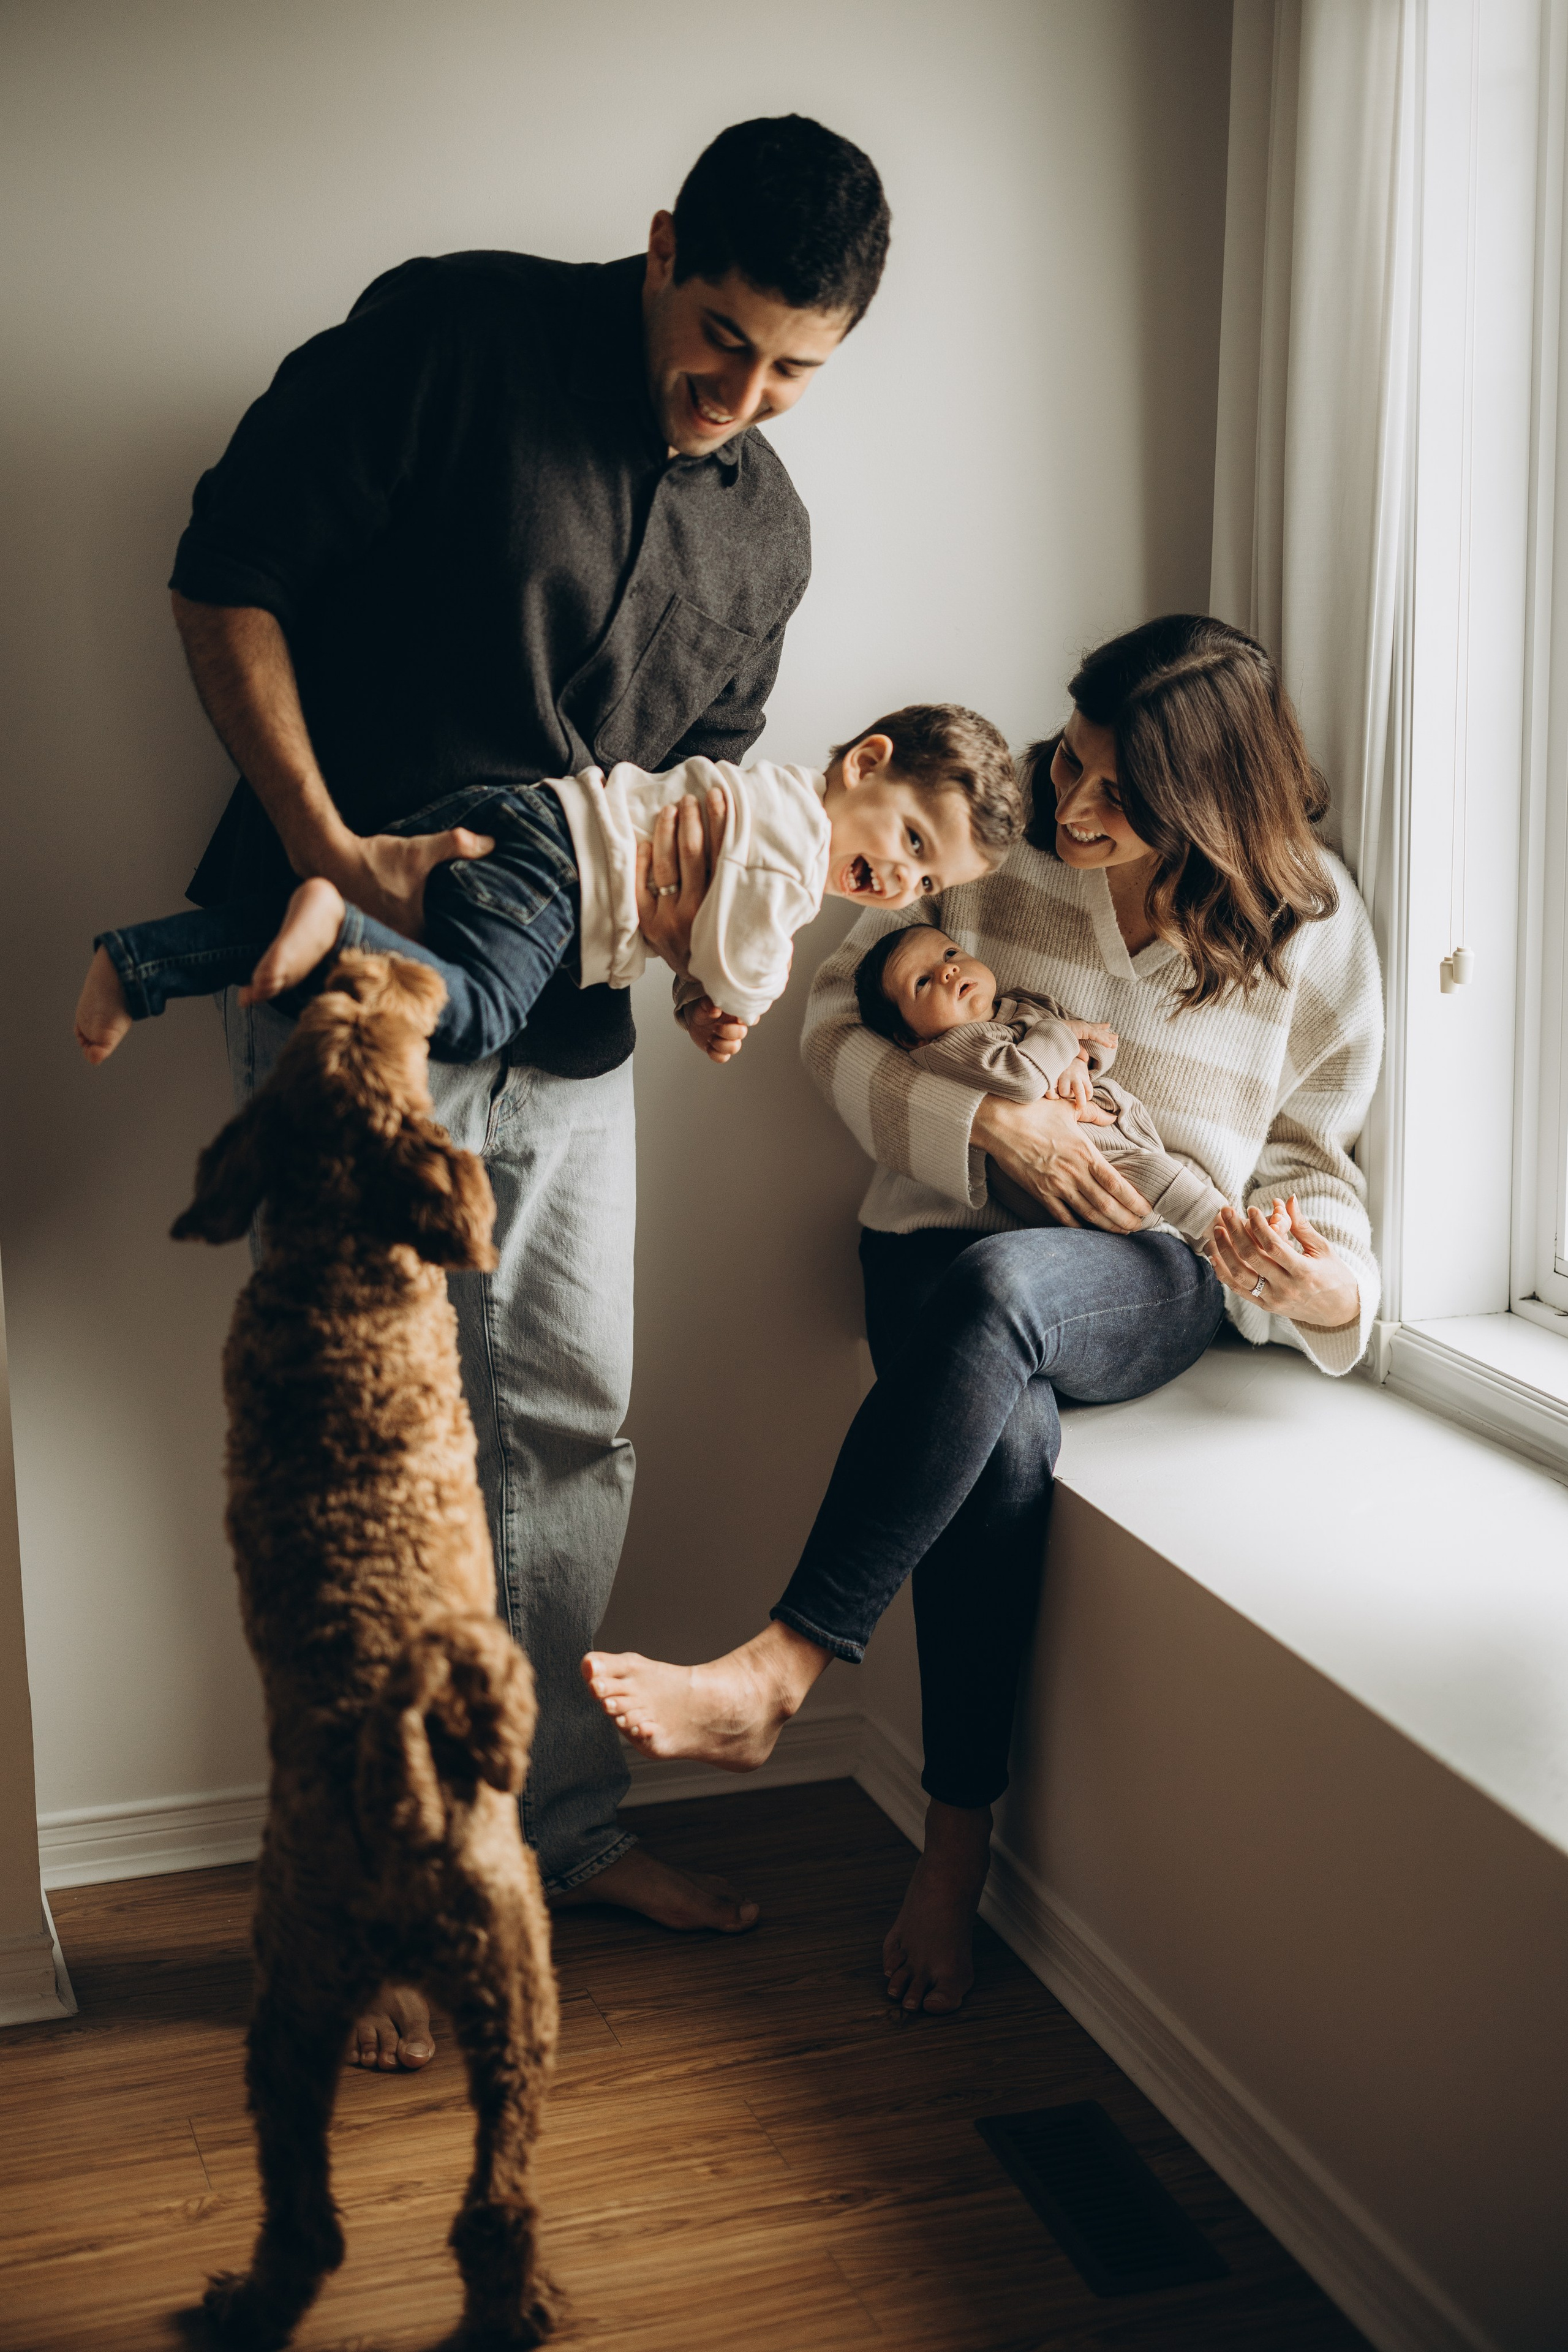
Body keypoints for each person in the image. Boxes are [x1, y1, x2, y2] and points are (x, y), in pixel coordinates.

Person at [156, 113, 890, 2070]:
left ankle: (547, 1840)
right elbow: (225, 572)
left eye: (795, 370)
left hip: (567, 1040)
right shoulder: (450, 338)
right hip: (344, 1001)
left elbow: (694, 811)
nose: (741, 398)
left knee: (567, 1431)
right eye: (720, 339)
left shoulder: (772, 533)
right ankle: (372, 1889)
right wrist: (331, 840)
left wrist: (716, 959)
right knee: (370, 1480)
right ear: (663, 248)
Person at [581, 614, 1384, 2017]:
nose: (1068, 805)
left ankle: (779, 1666)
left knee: (1003, 1290)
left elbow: (1314, 1168)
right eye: (1071, 761)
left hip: (1143, 1269)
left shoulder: (1308, 931)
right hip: (937, 1246)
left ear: (1204, 804)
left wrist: (1318, 1282)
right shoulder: (988, 833)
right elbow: (832, 1017)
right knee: (996, 1425)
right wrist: (991, 1129)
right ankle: (955, 1852)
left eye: (1113, 795)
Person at [75, 710, 1020, 1066]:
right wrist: (733, 1005)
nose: (901, 876)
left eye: (927, 879)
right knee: (477, 1017)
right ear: (864, 762)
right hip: (557, 884)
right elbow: (742, 957)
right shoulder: (795, 847)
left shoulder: (771, 797)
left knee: (313, 942)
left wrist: (695, 996)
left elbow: (710, 930)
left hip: (523, 824)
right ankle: (334, 927)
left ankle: (142, 964)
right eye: (910, 836)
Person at [850, 921, 1245, 1246]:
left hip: (1111, 1122)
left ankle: (1222, 1234)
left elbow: (1099, 1044)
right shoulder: (949, 1047)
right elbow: (1021, 1077)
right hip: (1078, 1164)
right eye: (922, 982)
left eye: (950, 954)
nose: (947, 971)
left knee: (1178, 1182)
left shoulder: (1018, 1003)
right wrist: (1062, 1036)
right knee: (1163, 1181)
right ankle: (1232, 1238)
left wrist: (1076, 1055)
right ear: (910, 1036)